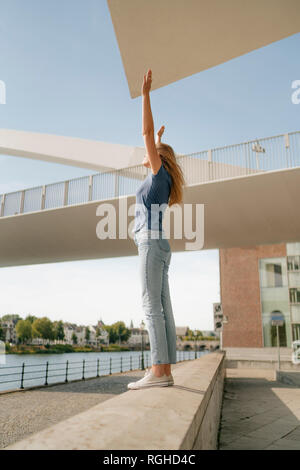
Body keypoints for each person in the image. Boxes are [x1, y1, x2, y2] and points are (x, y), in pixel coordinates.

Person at [128, 69, 186, 390]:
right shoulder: (162, 180)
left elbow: (146, 134)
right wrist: (162, 143)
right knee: (164, 306)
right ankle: (165, 369)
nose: (147, 154)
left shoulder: (157, 174)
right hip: (162, 245)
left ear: (159, 159)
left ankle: (158, 372)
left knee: (150, 306)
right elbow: (154, 143)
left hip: (150, 244)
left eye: (153, 153)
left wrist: (146, 95)